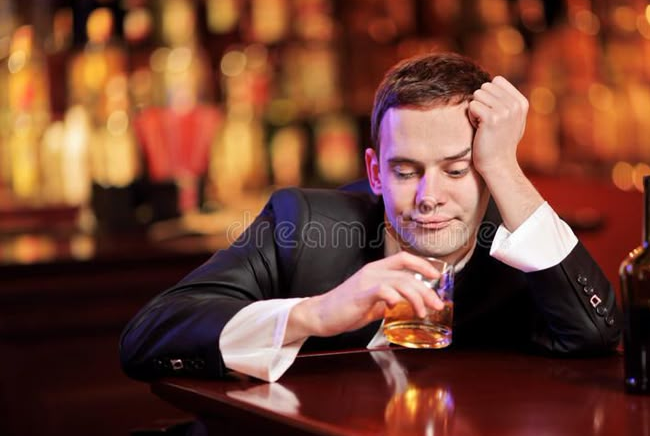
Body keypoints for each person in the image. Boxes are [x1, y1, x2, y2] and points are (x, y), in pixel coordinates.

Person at [120, 52, 620, 384]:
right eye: (406, 171)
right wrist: (313, 313)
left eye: (457, 169)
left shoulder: (521, 260)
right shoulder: (302, 225)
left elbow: (597, 335)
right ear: (374, 171)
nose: (430, 196)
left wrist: (504, 166)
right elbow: (147, 337)